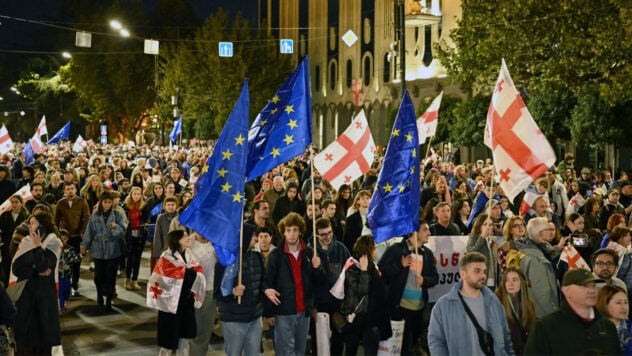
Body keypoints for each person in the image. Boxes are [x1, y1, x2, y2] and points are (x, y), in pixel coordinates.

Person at [428, 252, 514, 355]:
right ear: (463, 274)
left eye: (484, 271)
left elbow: (506, 337)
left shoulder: (494, 302)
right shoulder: (443, 306)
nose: (483, 276)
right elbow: (436, 342)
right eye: (477, 271)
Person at [263, 212, 324, 356]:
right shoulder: (275, 256)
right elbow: (267, 284)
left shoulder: (310, 253)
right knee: (285, 352)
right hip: (283, 311)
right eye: (288, 230)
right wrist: (269, 313)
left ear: (300, 232)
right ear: (283, 231)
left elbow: (319, 282)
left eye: (295, 230)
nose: (291, 234)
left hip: (304, 311)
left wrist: (318, 268)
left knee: (300, 350)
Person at [525, 268, 622, 355]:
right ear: (565, 290)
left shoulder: (607, 326)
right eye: (584, 286)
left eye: (593, 286)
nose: (592, 290)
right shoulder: (545, 327)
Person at [379, 219, 439, 354]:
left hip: (419, 309)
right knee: (401, 347)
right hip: (400, 308)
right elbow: (382, 271)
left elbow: (435, 278)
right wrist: (400, 265)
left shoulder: (427, 254)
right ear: (414, 233)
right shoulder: (396, 250)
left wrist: (424, 281)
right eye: (425, 229)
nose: (429, 233)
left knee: (412, 344)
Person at [10, 212, 62, 355]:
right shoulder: (25, 241)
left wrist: (38, 247)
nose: (29, 226)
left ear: (42, 225)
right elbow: (16, 268)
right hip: (26, 295)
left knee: (43, 338)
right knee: (25, 337)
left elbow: (44, 266)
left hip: (43, 298)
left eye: (33, 223)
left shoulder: (53, 242)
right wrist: (34, 271)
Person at [214, 226, 269, 356]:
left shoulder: (257, 256)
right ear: (242, 239)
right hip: (234, 319)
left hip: (255, 317)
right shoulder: (224, 263)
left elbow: (263, 281)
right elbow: (217, 293)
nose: (256, 239)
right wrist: (233, 292)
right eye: (252, 236)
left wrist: (267, 290)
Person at [150, 229, 205, 355]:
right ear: (176, 240)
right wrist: (190, 274)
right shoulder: (166, 258)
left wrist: (191, 274)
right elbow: (164, 279)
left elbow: (196, 272)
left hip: (186, 305)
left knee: (184, 341)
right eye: (184, 236)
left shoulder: (190, 255)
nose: (188, 238)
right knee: (168, 344)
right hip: (170, 307)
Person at [340, 234, 392, 355]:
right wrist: (363, 271)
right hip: (355, 319)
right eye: (374, 248)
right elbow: (360, 291)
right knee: (351, 350)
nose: (376, 251)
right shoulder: (352, 267)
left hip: (369, 319)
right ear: (368, 250)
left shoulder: (372, 267)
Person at [80, 191, 127, 311]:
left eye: (109, 202)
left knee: (111, 276)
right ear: (101, 202)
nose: (107, 204)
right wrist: (84, 245)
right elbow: (89, 232)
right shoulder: (95, 216)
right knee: (98, 276)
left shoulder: (118, 214)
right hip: (98, 250)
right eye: (105, 202)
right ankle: (99, 294)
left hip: (113, 249)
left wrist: (115, 227)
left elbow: (123, 231)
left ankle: (109, 300)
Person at [310, 217, 350, 355]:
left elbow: (348, 275)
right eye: (323, 234)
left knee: (338, 338)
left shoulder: (341, 249)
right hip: (319, 303)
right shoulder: (310, 252)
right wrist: (312, 306)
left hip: (337, 303)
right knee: (319, 340)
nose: (327, 237)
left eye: (330, 233)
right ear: (316, 235)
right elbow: (308, 284)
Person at [514, 217, 562, 318]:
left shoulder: (539, 247)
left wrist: (559, 248)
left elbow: (548, 255)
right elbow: (541, 292)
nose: (551, 232)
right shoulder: (534, 258)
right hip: (543, 314)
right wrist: (553, 314)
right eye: (548, 229)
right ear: (540, 233)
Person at [54, 181, 90, 295]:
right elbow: (56, 221)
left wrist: (83, 232)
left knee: (77, 262)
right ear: (64, 191)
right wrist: (57, 234)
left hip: (77, 236)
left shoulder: (82, 201)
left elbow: (87, 218)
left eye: (72, 188)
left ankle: (75, 285)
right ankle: (66, 285)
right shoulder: (60, 203)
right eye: (68, 189)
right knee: (64, 262)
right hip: (65, 237)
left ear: (76, 189)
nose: (70, 191)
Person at [495, 267, 536, 356]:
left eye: (514, 280)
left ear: (521, 282)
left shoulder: (529, 304)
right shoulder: (497, 302)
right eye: (507, 280)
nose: (510, 284)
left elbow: (531, 332)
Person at [188, 232, 217, 356]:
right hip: (193, 291)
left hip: (210, 291)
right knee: (195, 327)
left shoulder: (215, 245)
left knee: (206, 329)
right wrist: (192, 239)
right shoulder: (190, 244)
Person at [123, 187, 148, 290]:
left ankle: (135, 280)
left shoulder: (144, 206)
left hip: (140, 234)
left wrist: (145, 223)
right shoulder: (125, 205)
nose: (137, 196)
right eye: (135, 194)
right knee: (129, 259)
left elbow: (145, 218)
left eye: (139, 194)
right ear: (131, 194)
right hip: (129, 234)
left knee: (137, 259)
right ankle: (127, 279)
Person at [467, 213, 501, 289]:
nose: (488, 227)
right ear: (479, 226)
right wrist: (482, 236)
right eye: (485, 224)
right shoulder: (473, 237)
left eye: (491, 225)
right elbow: (472, 252)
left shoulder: (493, 240)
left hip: (492, 279)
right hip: (480, 279)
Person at [0, 194, 28, 286]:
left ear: (21, 203)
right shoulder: (4, 215)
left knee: (19, 268)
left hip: (21, 246)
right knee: (7, 268)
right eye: (12, 202)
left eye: (16, 202)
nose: (14, 204)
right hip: (7, 247)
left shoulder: (26, 216)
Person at [596, 285, 632, 355]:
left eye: (626, 302)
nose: (623, 307)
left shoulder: (630, 327)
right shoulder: (595, 330)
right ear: (605, 304)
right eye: (618, 302)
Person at [58, 229, 81, 312]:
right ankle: (61, 305)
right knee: (60, 290)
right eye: (61, 239)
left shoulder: (71, 249)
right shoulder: (56, 249)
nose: (63, 241)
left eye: (64, 239)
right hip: (58, 275)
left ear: (67, 238)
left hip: (67, 275)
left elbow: (76, 259)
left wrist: (82, 253)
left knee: (67, 290)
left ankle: (64, 300)